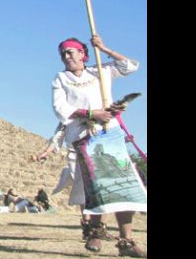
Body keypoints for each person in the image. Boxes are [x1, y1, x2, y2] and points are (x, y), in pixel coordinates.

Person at [52, 35, 146, 257]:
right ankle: (95, 231)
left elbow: (129, 66)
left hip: (110, 134)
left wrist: (104, 48)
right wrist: (93, 114)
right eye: (63, 53)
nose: (66, 56)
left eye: (70, 52)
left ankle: (127, 241)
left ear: (83, 54)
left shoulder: (100, 72)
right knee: (96, 188)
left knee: (122, 187)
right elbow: (60, 107)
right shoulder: (61, 78)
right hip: (86, 137)